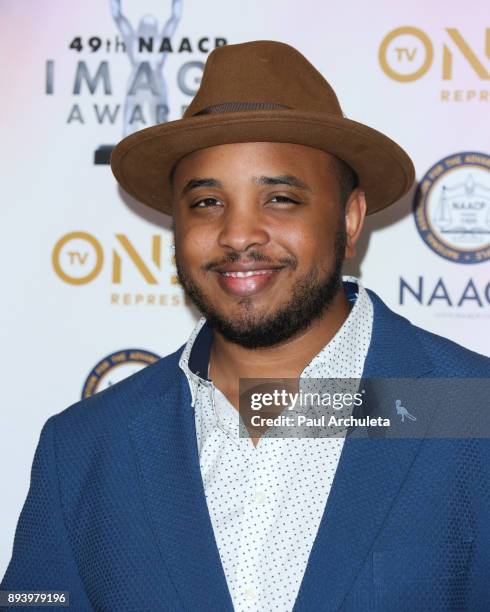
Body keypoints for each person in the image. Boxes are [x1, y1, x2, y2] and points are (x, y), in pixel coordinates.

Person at [2, 40, 490, 612]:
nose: (238, 235)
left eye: (280, 198)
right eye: (207, 202)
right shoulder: (86, 447)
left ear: (350, 218)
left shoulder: (467, 407)